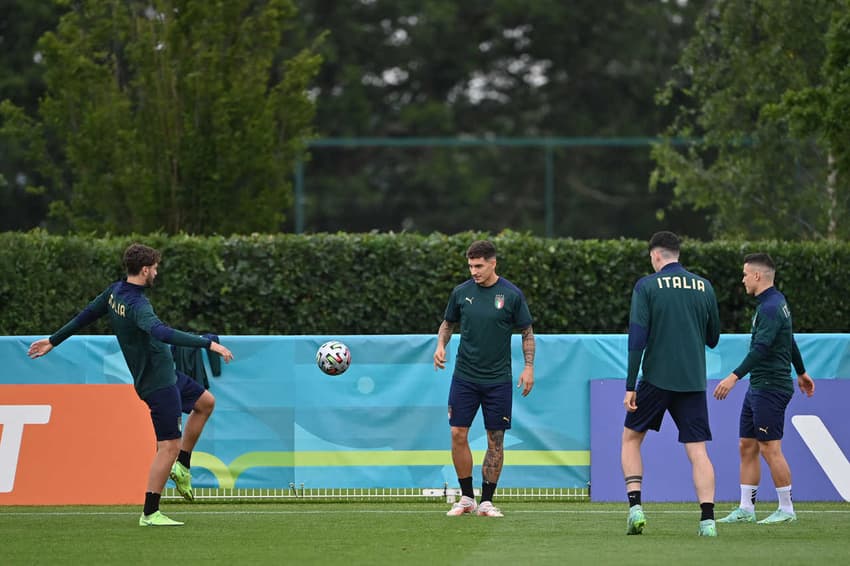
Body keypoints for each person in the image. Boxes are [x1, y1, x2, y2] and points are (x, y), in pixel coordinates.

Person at [28, 243, 234, 527]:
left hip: (167, 373)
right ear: (146, 269)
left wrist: (53, 340)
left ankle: (183, 466)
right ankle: (150, 513)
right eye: (156, 268)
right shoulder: (138, 304)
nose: (157, 273)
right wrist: (207, 343)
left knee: (205, 403)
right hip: (157, 383)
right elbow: (161, 332)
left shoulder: (115, 292)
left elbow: (85, 315)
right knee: (168, 446)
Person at [621, 231, 721, 537]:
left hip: (656, 378)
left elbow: (638, 338)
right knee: (698, 450)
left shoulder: (647, 285)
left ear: (655, 255)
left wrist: (630, 385)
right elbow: (713, 338)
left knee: (630, 439)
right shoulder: (704, 286)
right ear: (678, 254)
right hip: (692, 380)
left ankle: (636, 508)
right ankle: (708, 520)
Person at [433, 239, 535, 518]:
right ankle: (466, 497)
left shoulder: (511, 295)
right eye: (470, 266)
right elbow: (447, 324)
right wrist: (441, 345)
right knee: (457, 433)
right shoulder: (461, 293)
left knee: (495, 440)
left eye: (479, 266)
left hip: (498, 380)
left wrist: (529, 366)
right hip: (465, 377)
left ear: (493, 263)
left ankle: (487, 501)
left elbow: (527, 332)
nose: (474, 271)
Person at [713, 253, 815, 524]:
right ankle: (746, 509)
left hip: (771, 387)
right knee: (747, 445)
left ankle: (787, 510)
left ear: (757, 276)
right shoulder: (773, 304)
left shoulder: (771, 307)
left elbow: (762, 348)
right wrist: (802, 373)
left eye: (745, 274)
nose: (743, 279)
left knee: (770, 447)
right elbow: (789, 340)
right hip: (758, 385)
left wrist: (733, 377)